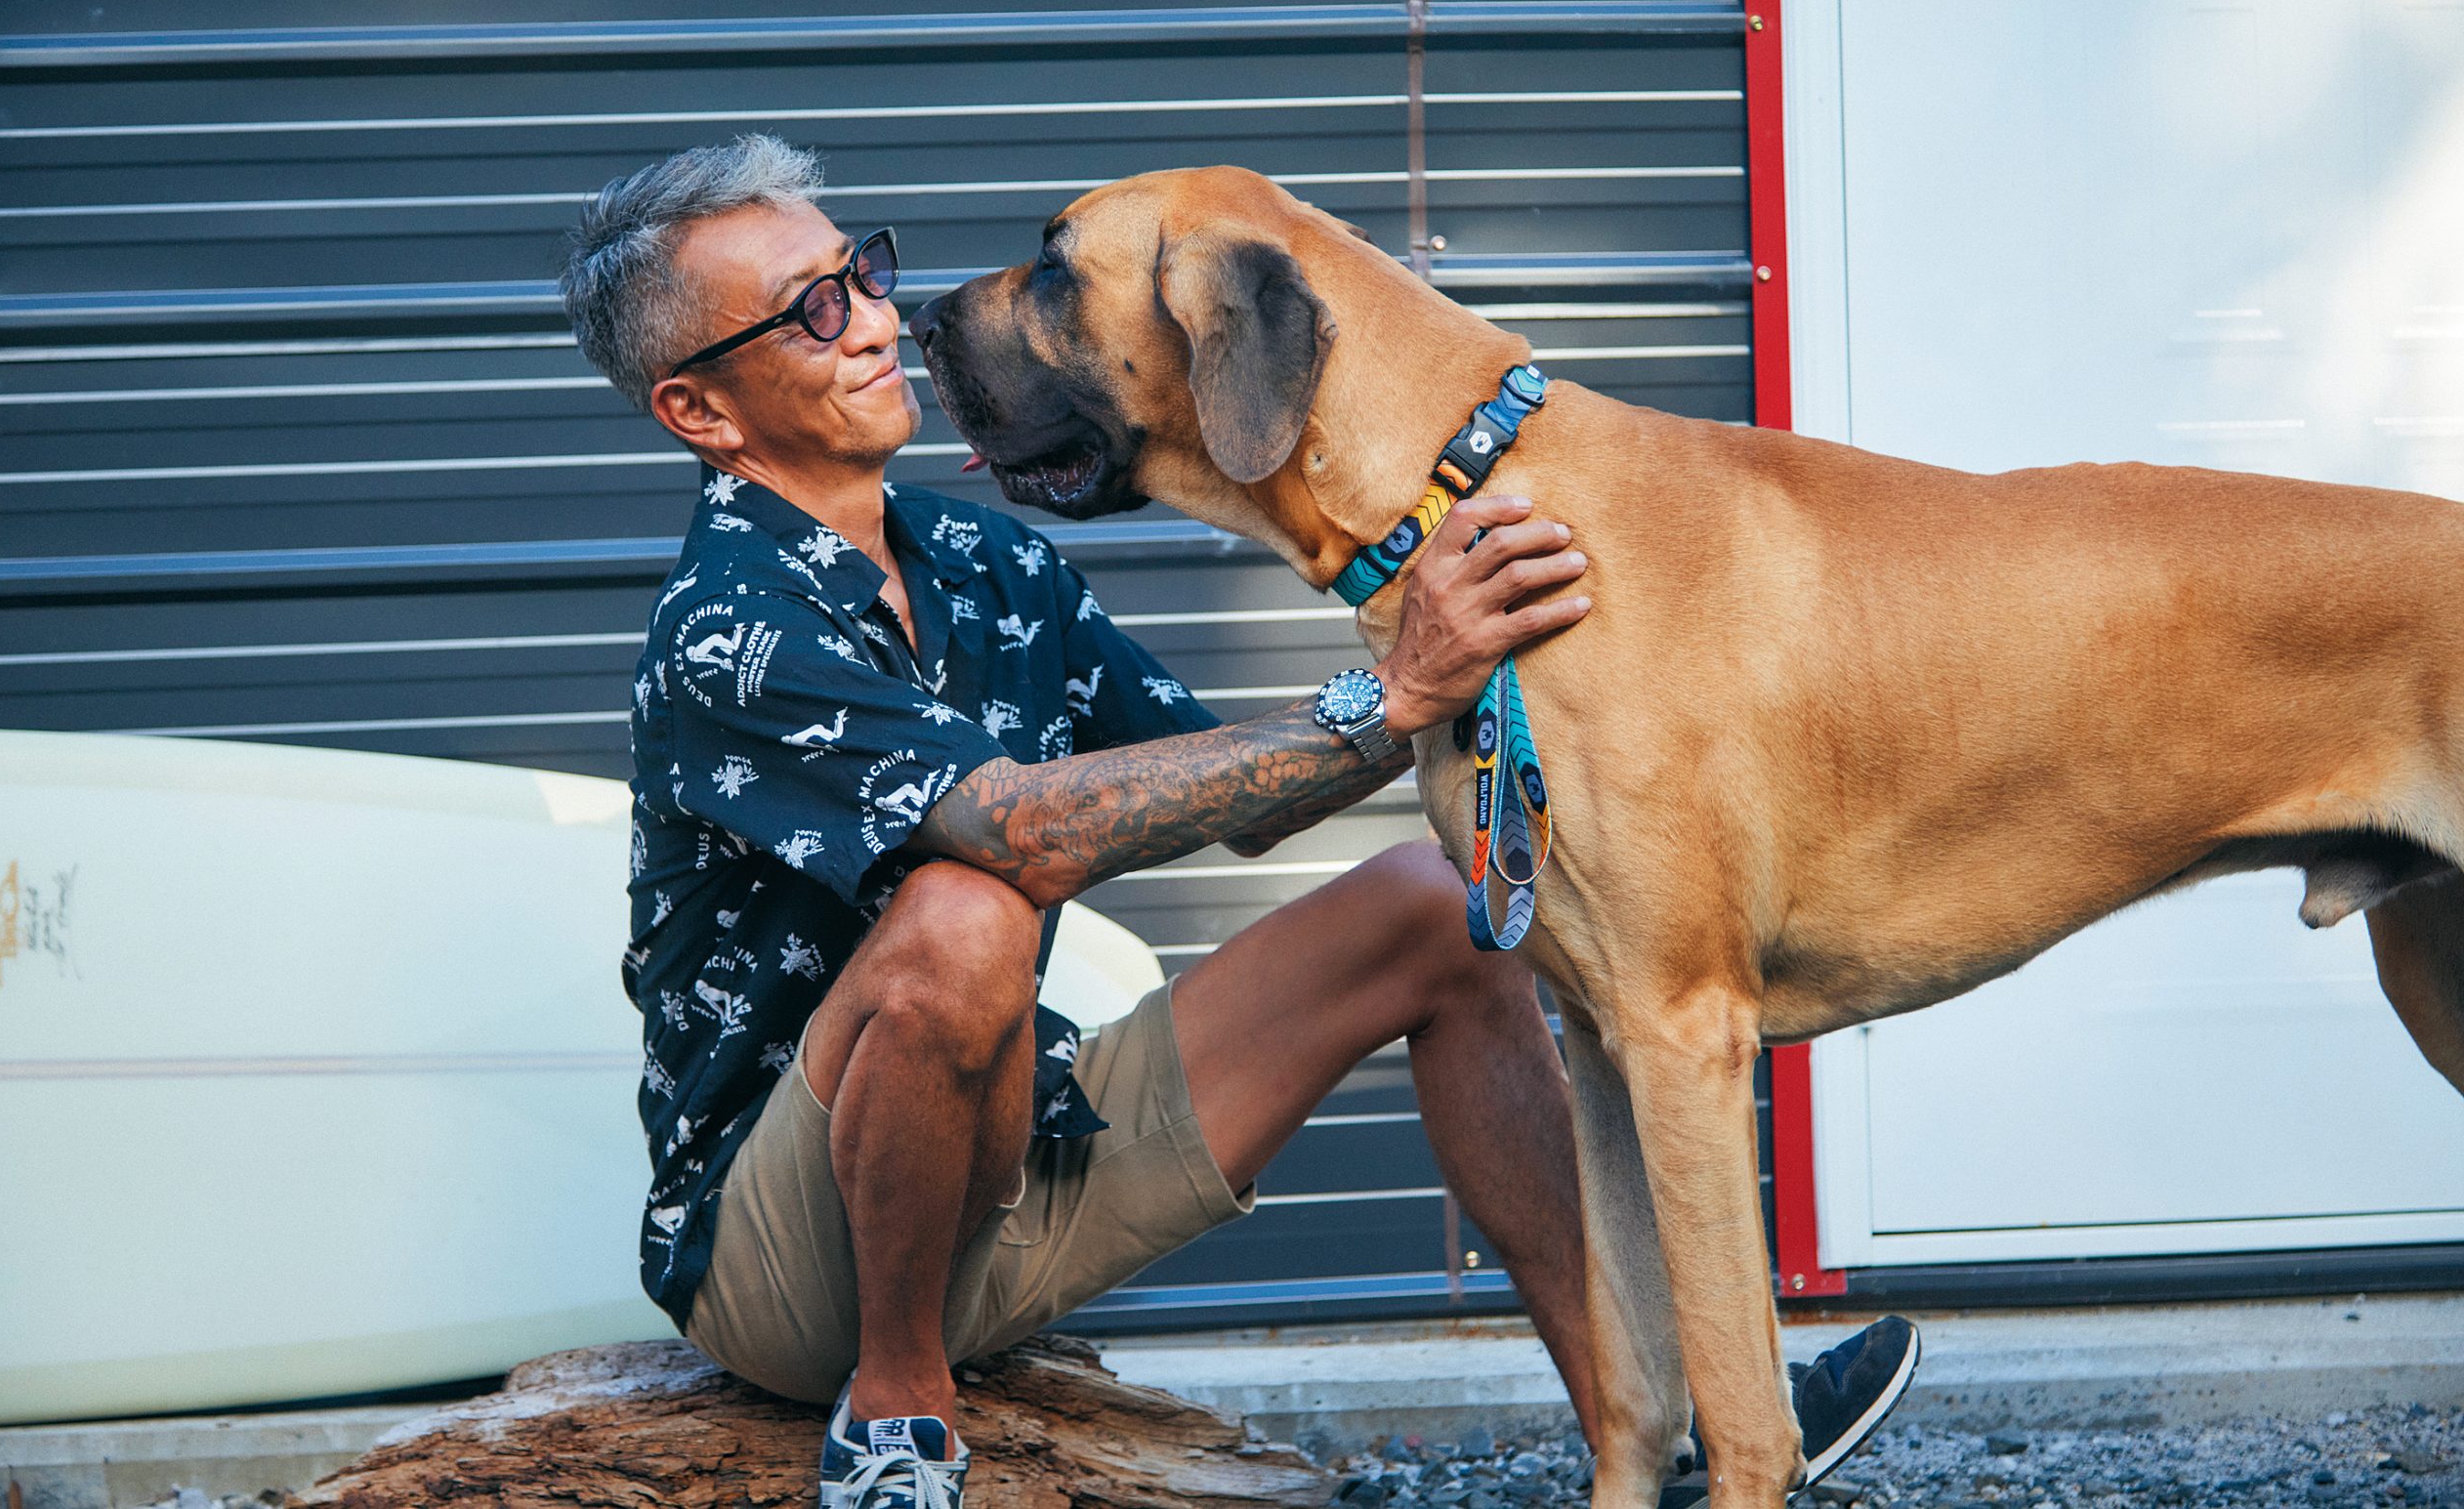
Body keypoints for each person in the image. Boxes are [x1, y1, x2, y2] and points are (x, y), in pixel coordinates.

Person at [559, 135, 1916, 1509]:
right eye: (809, 308)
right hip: (790, 1263)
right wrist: (1390, 696)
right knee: (969, 909)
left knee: (1434, 906)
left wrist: (1446, 647)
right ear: (703, 412)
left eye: (858, 271)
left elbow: (1232, 792)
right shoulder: (725, 629)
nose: (873, 321)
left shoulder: (983, 561)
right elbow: (1023, 832)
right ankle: (899, 1412)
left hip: (1016, 1159)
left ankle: (1656, 1408)